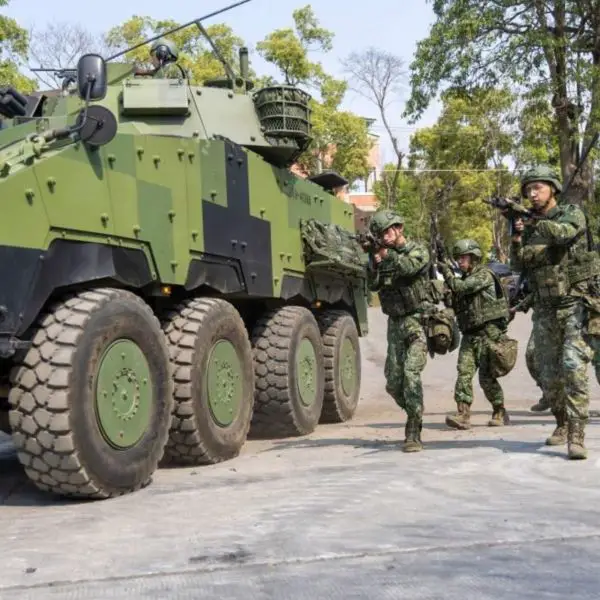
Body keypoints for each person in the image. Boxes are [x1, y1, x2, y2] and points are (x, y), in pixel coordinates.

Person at [509, 165, 598, 459]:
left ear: (553, 189)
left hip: (574, 304)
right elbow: (519, 264)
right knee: (548, 373)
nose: (532, 194)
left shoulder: (571, 214)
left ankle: (577, 434)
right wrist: (516, 236)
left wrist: (534, 220)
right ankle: (561, 422)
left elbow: (562, 235)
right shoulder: (529, 225)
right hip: (545, 308)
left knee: (573, 367)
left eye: (538, 187)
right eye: (528, 189)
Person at [366, 210, 436, 453]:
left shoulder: (417, 250)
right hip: (395, 324)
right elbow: (373, 285)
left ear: (399, 228)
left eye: (387, 231)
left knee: (410, 372)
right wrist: (373, 260)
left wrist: (387, 255)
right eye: (380, 234)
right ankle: (415, 410)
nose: (384, 236)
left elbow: (408, 268)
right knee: (393, 383)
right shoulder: (383, 255)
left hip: (418, 320)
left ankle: (413, 429)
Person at [438, 239, 511, 429]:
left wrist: (446, 272)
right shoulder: (464, 279)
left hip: (488, 334)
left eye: (463, 258)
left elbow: (462, 287)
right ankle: (463, 413)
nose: (460, 261)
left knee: (486, 378)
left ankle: (499, 410)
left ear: (474, 258)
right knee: (464, 372)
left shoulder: (484, 275)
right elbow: (455, 301)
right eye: (458, 258)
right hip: (470, 334)